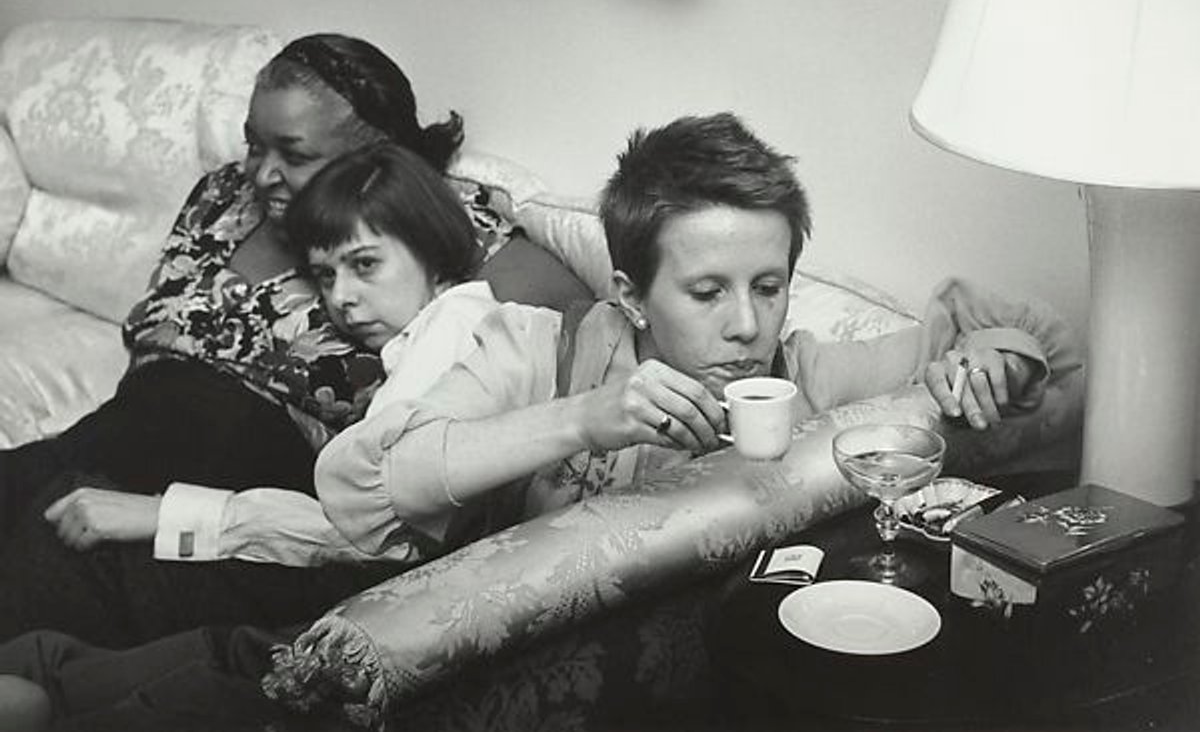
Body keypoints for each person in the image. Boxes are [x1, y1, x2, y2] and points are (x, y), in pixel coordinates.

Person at [0, 112, 1082, 730]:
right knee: (112, 686)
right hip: (394, 639)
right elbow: (367, 488)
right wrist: (588, 416)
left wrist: (1004, 357)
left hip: (592, 692)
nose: (747, 324)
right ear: (628, 286)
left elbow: (989, 361)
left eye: (770, 283)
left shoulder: (802, 370)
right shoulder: (533, 345)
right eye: (707, 291)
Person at [0, 33, 587, 645]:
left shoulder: (428, 218)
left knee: (52, 540)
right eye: (255, 142)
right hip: (123, 431)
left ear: (375, 155)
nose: (263, 171)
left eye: (295, 153)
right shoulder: (224, 198)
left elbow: (575, 326)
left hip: (246, 464)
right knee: (36, 493)